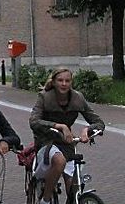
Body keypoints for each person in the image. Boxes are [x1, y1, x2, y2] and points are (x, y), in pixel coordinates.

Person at [28, 68, 105, 204]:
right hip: (47, 141)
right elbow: (34, 121)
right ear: (54, 82)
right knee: (59, 161)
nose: (64, 84)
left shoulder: (78, 98)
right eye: (60, 80)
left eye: (67, 81)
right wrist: (60, 126)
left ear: (71, 82)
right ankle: (45, 200)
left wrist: (88, 129)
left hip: (66, 143)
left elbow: (98, 122)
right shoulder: (44, 97)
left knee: (73, 185)